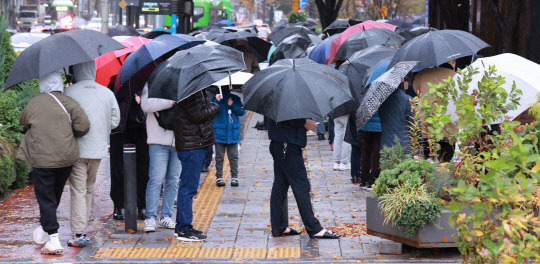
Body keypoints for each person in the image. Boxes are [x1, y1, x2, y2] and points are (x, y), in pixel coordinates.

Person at [19, 71, 90, 255]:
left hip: (42, 158)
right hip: (66, 157)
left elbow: (24, 121)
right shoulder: (70, 102)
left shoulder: (34, 102)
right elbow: (83, 126)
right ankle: (45, 229)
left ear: (42, 84)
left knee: (46, 197)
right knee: (53, 196)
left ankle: (53, 239)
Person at [63, 61, 120, 248]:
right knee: (88, 188)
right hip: (98, 149)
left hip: (77, 149)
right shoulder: (106, 92)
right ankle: (83, 227)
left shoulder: (69, 93)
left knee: (78, 190)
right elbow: (115, 121)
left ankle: (79, 232)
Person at [268, 118, 341, 239]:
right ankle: (314, 228)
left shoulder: (273, 100)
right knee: (301, 186)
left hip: (279, 143)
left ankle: (278, 226)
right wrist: (304, 123)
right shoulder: (288, 100)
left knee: (280, 186)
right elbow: (291, 117)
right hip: (288, 145)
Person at [173, 91, 220, 241]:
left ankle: (184, 225)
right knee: (188, 188)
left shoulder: (195, 90)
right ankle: (183, 228)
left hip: (194, 143)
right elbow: (197, 115)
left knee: (189, 187)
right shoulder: (189, 92)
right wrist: (214, 106)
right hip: (191, 145)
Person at [140, 84, 181, 232]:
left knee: (174, 180)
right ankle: (150, 217)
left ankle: (166, 216)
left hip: (179, 140)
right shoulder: (154, 82)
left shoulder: (184, 83)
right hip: (158, 140)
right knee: (156, 179)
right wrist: (170, 102)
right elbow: (145, 104)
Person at [109, 85, 150, 221]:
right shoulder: (115, 81)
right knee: (117, 169)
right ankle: (118, 205)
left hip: (141, 128)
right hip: (118, 128)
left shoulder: (146, 82)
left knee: (143, 168)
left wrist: (141, 102)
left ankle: (142, 204)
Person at [212, 87, 245, 187]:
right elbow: (211, 112)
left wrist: (232, 105)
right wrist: (216, 101)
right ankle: (219, 176)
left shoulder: (235, 98)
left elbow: (241, 112)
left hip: (232, 132)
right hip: (220, 132)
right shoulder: (215, 99)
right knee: (219, 156)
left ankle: (234, 176)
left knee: (233, 156)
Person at [358, 111, 382, 189]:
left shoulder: (366, 100)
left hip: (365, 126)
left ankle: (364, 179)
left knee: (365, 153)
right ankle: (373, 180)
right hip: (379, 127)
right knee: (377, 154)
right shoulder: (382, 99)